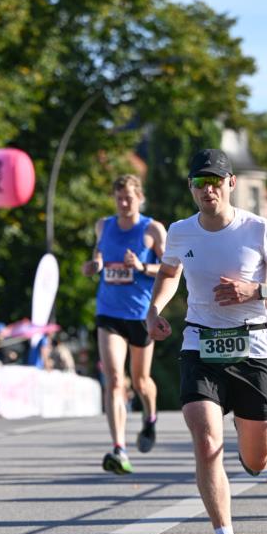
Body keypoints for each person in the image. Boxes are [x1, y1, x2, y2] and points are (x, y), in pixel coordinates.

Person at [146, 148, 267, 534]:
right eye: (200, 182)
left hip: (252, 348)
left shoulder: (258, 230)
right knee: (205, 441)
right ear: (191, 188)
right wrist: (156, 309)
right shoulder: (180, 232)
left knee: (256, 461)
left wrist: (255, 292)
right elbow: (168, 272)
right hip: (200, 344)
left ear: (231, 183)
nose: (208, 188)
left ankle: (242, 423)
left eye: (216, 180)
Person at [82, 173, 166, 474]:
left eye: (129, 197)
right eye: (119, 198)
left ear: (139, 197)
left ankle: (150, 416)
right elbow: (99, 255)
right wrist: (95, 266)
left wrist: (142, 266)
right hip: (109, 312)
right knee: (115, 379)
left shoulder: (152, 229)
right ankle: (119, 448)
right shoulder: (103, 225)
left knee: (140, 381)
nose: (124, 203)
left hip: (141, 314)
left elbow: (170, 269)